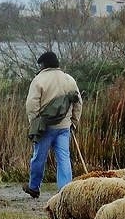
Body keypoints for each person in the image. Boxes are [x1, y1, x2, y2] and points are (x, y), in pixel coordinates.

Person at [23, 51, 82, 199]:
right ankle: (65, 192)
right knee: (64, 158)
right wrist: (73, 123)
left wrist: (34, 124)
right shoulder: (69, 79)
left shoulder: (38, 80)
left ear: (43, 64)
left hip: (45, 128)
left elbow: (31, 105)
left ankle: (34, 187)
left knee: (38, 159)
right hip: (64, 128)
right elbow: (78, 103)